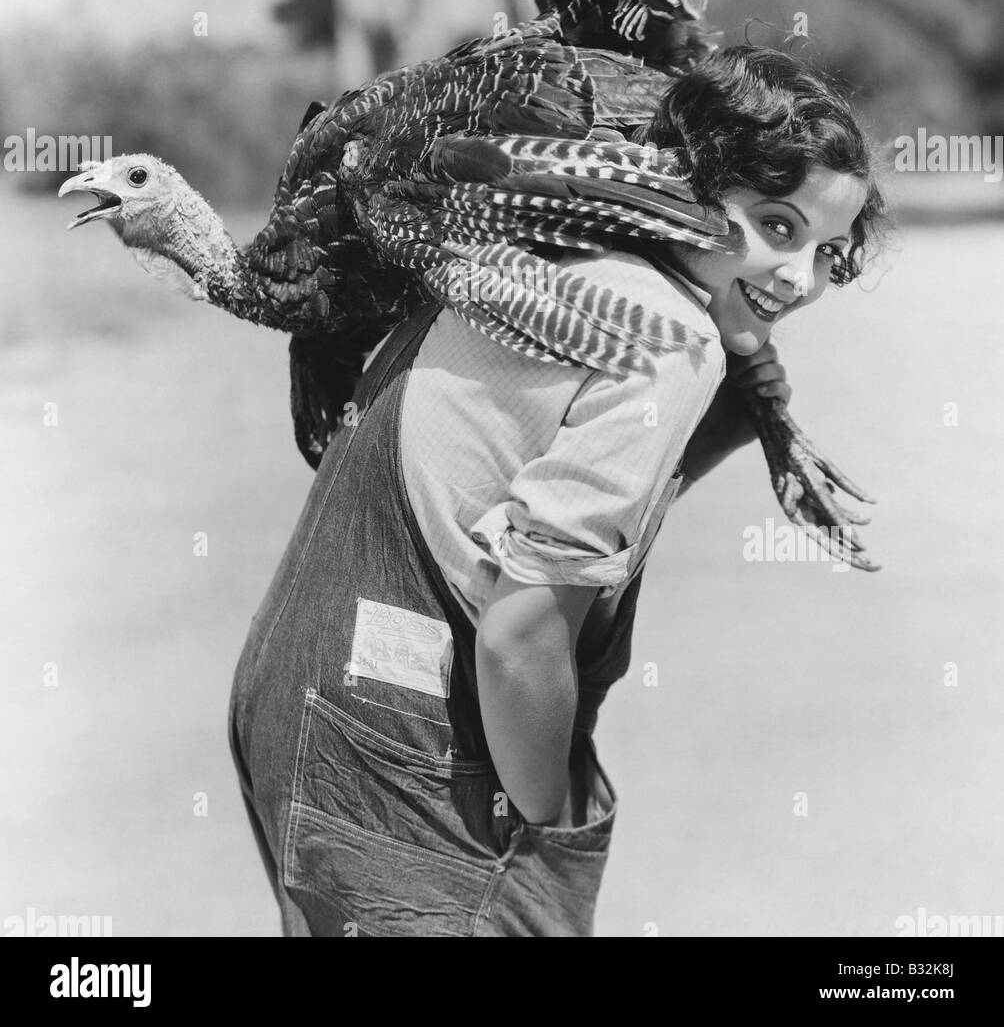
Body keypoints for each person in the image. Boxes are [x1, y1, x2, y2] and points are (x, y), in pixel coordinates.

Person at [228, 45, 887, 938]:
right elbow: (519, 635)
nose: (799, 277)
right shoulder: (670, 342)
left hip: (301, 697)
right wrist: (546, 827)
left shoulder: (533, 248)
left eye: (828, 250)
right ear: (693, 184)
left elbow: (513, 487)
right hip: (406, 743)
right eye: (776, 226)